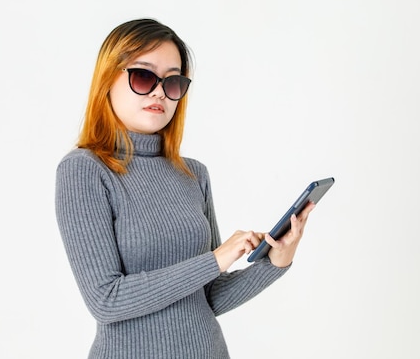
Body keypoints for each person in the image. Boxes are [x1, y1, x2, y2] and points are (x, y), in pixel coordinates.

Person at [55, 18, 316, 358]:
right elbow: (107, 300)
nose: (160, 92)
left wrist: (276, 263)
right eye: (143, 76)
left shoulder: (194, 174)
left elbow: (208, 297)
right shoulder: (84, 170)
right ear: (107, 79)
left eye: (173, 81)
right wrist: (216, 259)